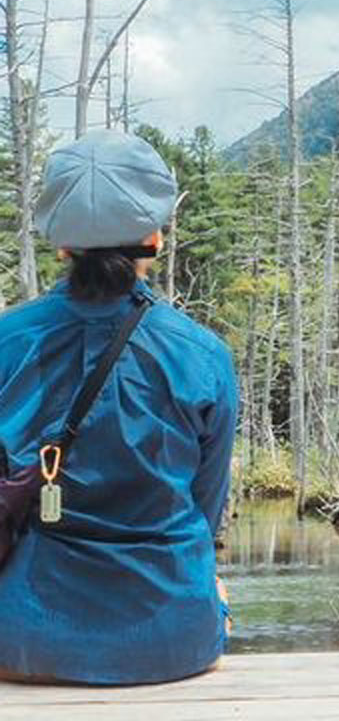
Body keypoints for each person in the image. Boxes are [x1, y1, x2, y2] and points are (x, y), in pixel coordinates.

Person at [0, 129, 238, 685]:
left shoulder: (7, 342)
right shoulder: (203, 354)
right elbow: (206, 511)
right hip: (174, 640)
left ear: (61, 244)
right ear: (155, 236)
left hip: (27, 639)